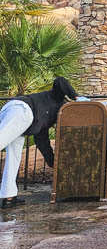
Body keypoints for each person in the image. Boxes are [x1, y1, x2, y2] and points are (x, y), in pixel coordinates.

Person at [0, 77, 78, 208]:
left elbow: (41, 141)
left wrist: (53, 161)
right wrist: (76, 97)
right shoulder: (58, 98)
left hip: (21, 114)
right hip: (22, 110)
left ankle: (9, 197)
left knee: (14, 157)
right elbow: (60, 81)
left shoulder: (46, 121)